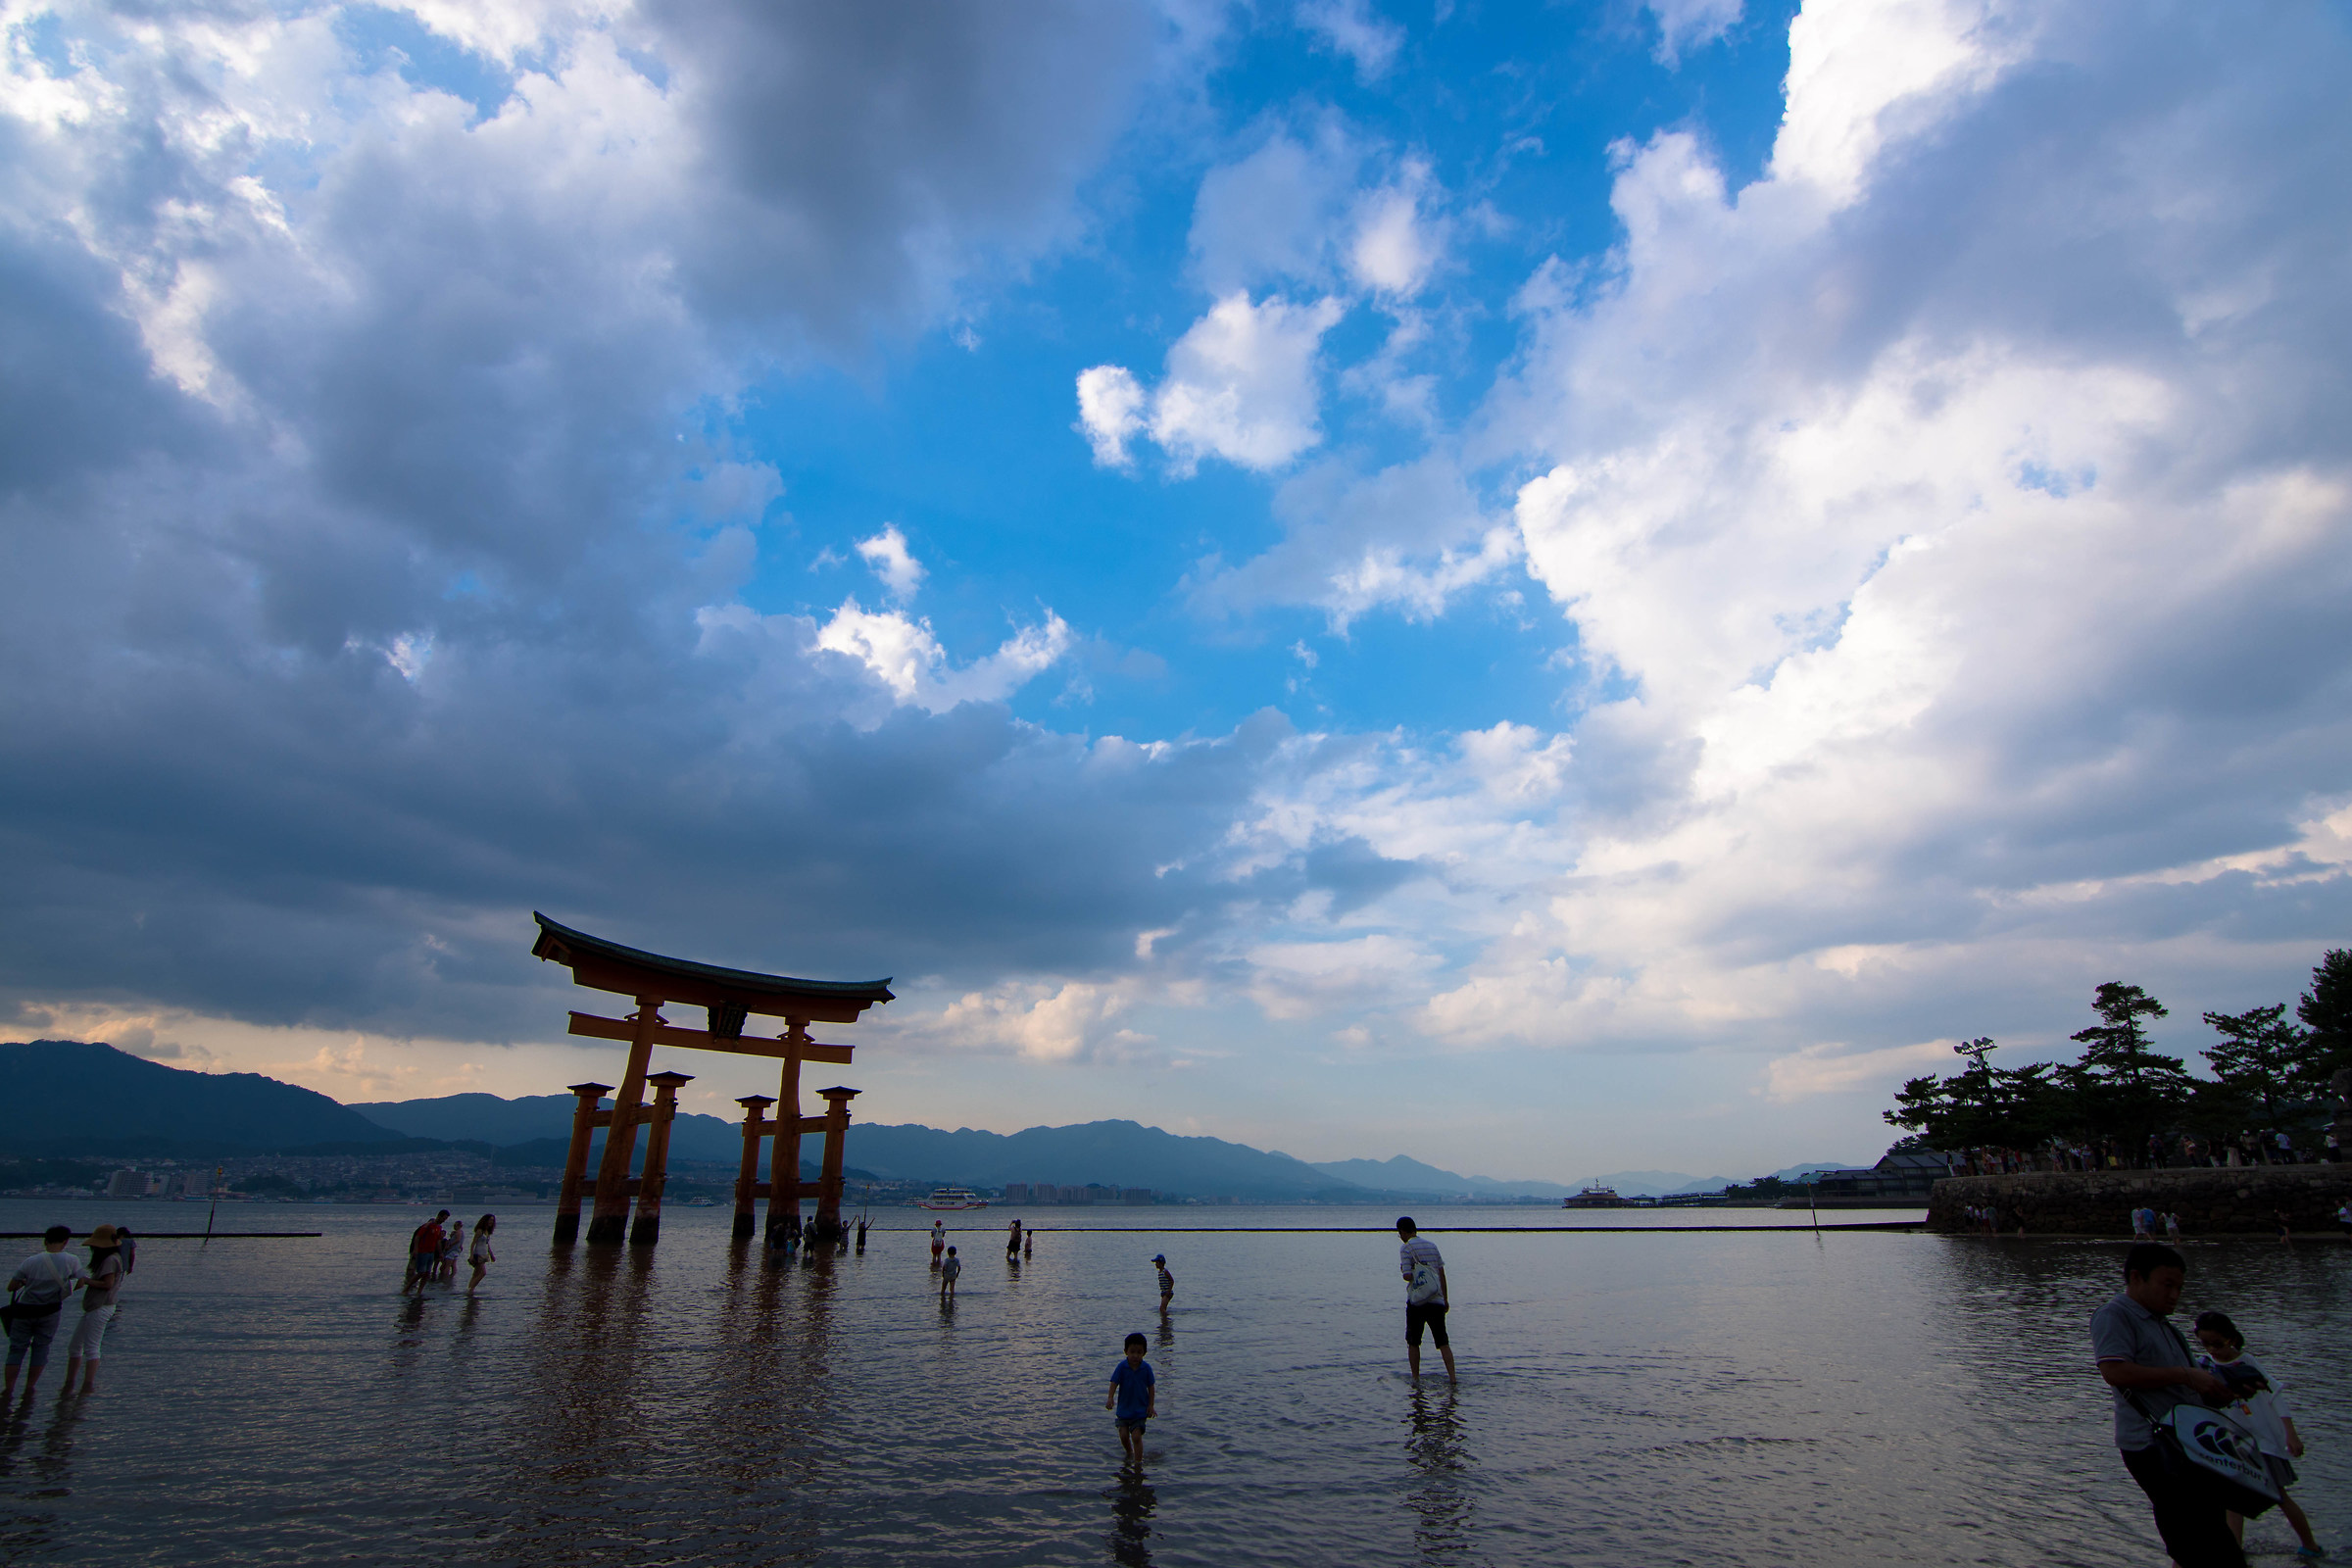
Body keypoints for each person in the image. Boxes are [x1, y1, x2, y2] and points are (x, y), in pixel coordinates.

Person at [2091, 1241, 2245, 1568]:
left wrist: (2218, 1389)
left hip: (2188, 1444)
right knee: (2208, 1545)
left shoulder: (2165, 1326)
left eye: (2179, 1287)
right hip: (2154, 1446)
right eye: (2167, 1285)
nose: (2175, 1295)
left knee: (2200, 1540)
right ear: (2136, 1278)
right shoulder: (2114, 1315)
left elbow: (2187, 1382)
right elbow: (2114, 1371)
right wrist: (2186, 1376)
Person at [2191, 1309, 2322, 1559]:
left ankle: (2311, 1546)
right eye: (2205, 1343)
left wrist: (2290, 1434)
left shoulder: (2247, 1362)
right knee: (2232, 1497)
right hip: (2231, 1443)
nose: (2212, 1349)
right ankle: (2235, 1549)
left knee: (2279, 1496)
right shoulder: (2204, 1365)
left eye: (2217, 1343)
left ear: (2230, 1338)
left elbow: (2276, 1395)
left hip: (2263, 1443)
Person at [4, 1225, 87, 1401]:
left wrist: (26, 1283)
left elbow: (11, 1287)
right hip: (50, 1310)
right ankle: (29, 1389)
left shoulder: (31, 1261)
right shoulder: (72, 1260)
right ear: (65, 1242)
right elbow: (80, 1282)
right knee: (41, 1349)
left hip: (24, 1310)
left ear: (45, 1241)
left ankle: (9, 1390)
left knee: (17, 1349)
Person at [62, 1223, 125, 1396]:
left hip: (101, 1306)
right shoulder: (113, 1258)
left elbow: (107, 1284)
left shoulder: (110, 1260)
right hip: (97, 1307)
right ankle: (71, 1383)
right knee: (75, 1346)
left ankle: (87, 1385)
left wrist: (86, 1281)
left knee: (91, 1347)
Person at [1396, 1217, 1455, 1382]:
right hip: (1436, 1300)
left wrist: (1404, 1269)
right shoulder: (1431, 1246)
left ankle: (1415, 1379)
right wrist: (1445, 1299)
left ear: (1403, 1231)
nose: (1400, 1236)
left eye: (1399, 1233)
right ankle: (1453, 1378)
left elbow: (1407, 1276)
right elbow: (1441, 1274)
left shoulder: (1406, 1248)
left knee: (1414, 1342)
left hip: (1417, 1302)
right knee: (1443, 1342)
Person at [1105, 1332, 1156, 1473]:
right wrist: (1110, 1398)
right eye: (1132, 1352)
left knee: (1136, 1436)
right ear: (1126, 1351)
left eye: (1139, 1352)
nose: (1135, 1356)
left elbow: (1151, 1387)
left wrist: (1151, 1405)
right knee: (1123, 1435)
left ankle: (1138, 1464)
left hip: (1140, 1410)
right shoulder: (1122, 1367)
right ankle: (1130, 1453)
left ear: (1144, 1353)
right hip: (1124, 1409)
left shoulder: (1146, 1368)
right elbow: (1114, 1382)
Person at [405, 1211, 449, 1294]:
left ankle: (419, 1291)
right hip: (422, 1251)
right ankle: (406, 1288)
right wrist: (415, 1249)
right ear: (439, 1216)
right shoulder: (427, 1226)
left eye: (445, 1219)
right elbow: (417, 1237)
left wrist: (440, 1253)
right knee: (421, 1272)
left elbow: (438, 1241)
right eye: (443, 1218)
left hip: (431, 1252)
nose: (444, 1220)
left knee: (427, 1274)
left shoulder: (439, 1228)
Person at [466, 1214, 497, 1295]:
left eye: (492, 1220)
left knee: (476, 1273)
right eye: (490, 1220)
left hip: (484, 1254)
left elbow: (487, 1244)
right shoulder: (480, 1231)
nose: (491, 1222)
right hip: (478, 1254)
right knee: (483, 1273)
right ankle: (471, 1290)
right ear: (485, 1220)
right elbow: (473, 1243)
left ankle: (469, 1289)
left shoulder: (487, 1232)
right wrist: (471, 1255)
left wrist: (491, 1255)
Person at [441, 1217, 466, 1284]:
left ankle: (445, 1278)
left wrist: (450, 1245)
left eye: (456, 1225)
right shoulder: (460, 1232)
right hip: (456, 1250)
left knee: (447, 1264)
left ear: (459, 1226)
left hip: (453, 1250)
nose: (454, 1227)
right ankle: (451, 1277)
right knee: (453, 1264)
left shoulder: (458, 1232)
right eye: (454, 1225)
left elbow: (457, 1240)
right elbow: (460, 1242)